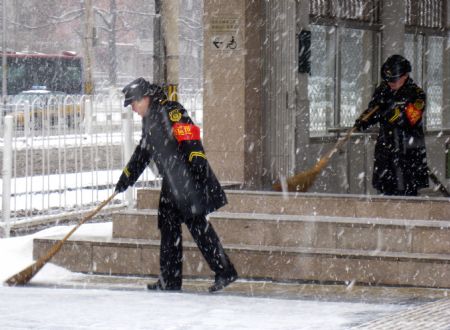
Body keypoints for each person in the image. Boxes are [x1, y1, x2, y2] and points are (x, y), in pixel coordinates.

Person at [115, 77, 238, 292]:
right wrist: (126, 178)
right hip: (172, 184)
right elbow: (143, 153)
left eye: (134, 103)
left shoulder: (171, 111)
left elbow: (191, 139)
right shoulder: (149, 121)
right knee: (169, 228)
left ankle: (225, 272)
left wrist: (198, 168)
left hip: (188, 180)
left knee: (198, 227)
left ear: (145, 98)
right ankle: (170, 280)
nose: (133, 109)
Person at [354, 54, 429, 196]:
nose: (391, 83)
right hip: (386, 151)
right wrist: (364, 120)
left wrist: (391, 112)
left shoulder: (416, 95)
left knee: (406, 195)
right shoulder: (383, 90)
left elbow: (410, 119)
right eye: (388, 79)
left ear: (405, 75)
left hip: (407, 154)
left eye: (394, 79)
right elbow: (373, 110)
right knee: (384, 193)